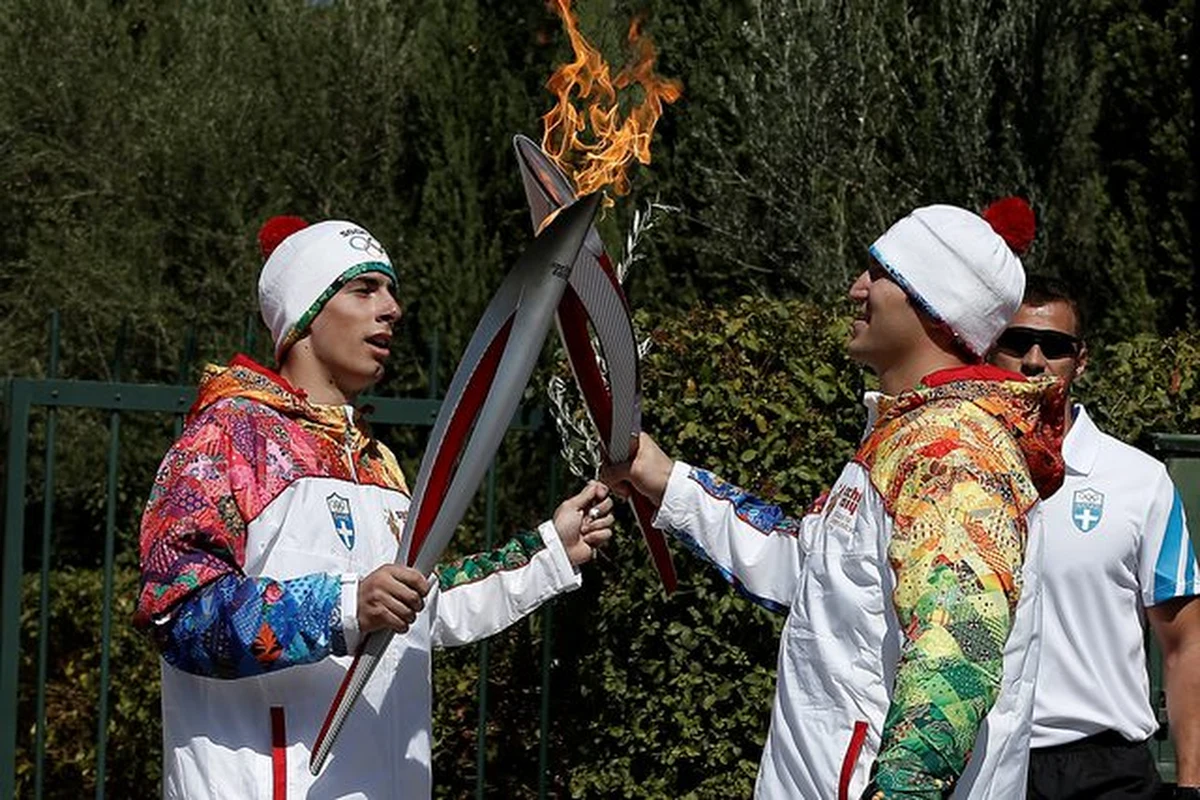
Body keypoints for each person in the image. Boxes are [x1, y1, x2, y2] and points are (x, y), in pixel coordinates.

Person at [133, 215, 614, 799]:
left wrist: (549, 550)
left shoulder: (378, 462)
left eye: (390, 290)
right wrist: (344, 605)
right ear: (306, 317)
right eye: (364, 289)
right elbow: (178, 614)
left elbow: (422, 603)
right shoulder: (230, 439)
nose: (392, 308)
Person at [604, 199, 1067, 798]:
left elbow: (956, 657)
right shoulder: (905, 436)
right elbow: (812, 573)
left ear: (932, 307)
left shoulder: (951, 455)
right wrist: (661, 478)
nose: (856, 289)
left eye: (879, 273)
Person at [987, 277, 1200, 800]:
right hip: (984, 763)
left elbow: (1185, 642)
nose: (1034, 361)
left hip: (1105, 771)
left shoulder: (1140, 481)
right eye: (1016, 343)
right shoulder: (951, 472)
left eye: (1055, 347)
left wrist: (1192, 784)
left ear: (1080, 361)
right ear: (990, 351)